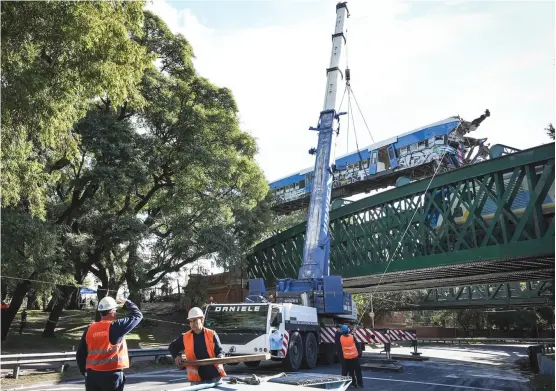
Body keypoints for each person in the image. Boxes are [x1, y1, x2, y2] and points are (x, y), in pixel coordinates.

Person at [76, 297, 143, 391]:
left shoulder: (89, 329)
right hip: (111, 376)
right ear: (112, 312)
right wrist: (127, 302)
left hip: (92, 376)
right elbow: (137, 315)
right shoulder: (116, 327)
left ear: (100, 312)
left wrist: (85, 373)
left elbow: (80, 354)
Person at [168, 307, 226, 384]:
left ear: (202, 320)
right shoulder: (185, 337)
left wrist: (221, 357)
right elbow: (172, 347)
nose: (192, 324)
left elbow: (220, 351)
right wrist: (177, 356)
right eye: (190, 321)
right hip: (196, 380)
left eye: (195, 320)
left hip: (214, 378)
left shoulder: (211, 334)